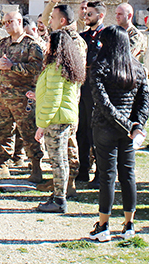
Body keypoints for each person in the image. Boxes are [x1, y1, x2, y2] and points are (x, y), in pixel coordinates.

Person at [88, 26, 149, 242]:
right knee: (128, 175)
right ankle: (129, 224)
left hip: (106, 127)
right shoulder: (137, 68)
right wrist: (136, 125)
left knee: (107, 175)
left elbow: (103, 103)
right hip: (128, 130)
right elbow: (145, 101)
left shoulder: (100, 67)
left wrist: (131, 125)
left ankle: (104, 224)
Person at [0, 11, 46, 181]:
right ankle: (3, 164)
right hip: (1, 97)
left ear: (19, 21)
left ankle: (35, 166)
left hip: (22, 97)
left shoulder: (30, 45)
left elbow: (36, 68)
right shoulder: (1, 45)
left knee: (29, 132)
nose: (6, 25)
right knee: (2, 130)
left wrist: (13, 67)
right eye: (4, 22)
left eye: (9, 21)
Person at [34, 29, 85, 213]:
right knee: (61, 159)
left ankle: (59, 200)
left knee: (57, 160)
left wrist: (42, 124)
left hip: (56, 120)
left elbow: (54, 99)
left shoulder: (56, 67)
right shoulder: (68, 66)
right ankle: (59, 194)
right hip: (64, 118)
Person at [77, 0, 107, 188]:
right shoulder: (82, 36)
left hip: (97, 87)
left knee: (97, 130)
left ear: (100, 16)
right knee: (82, 129)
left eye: (90, 14)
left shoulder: (107, 36)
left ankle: (101, 172)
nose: (85, 17)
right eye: (85, 13)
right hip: (82, 86)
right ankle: (83, 169)